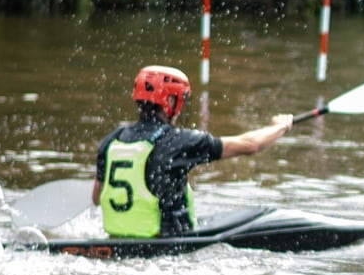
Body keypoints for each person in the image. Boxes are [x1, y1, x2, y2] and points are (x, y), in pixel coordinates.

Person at [91, 65, 293, 238]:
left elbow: (96, 199)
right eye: (179, 100)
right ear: (169, 102)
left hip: (116, 241)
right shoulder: (180, 141)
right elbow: (250, 145)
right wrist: (281, 126)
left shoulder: (111, 141)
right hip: (167, 246)